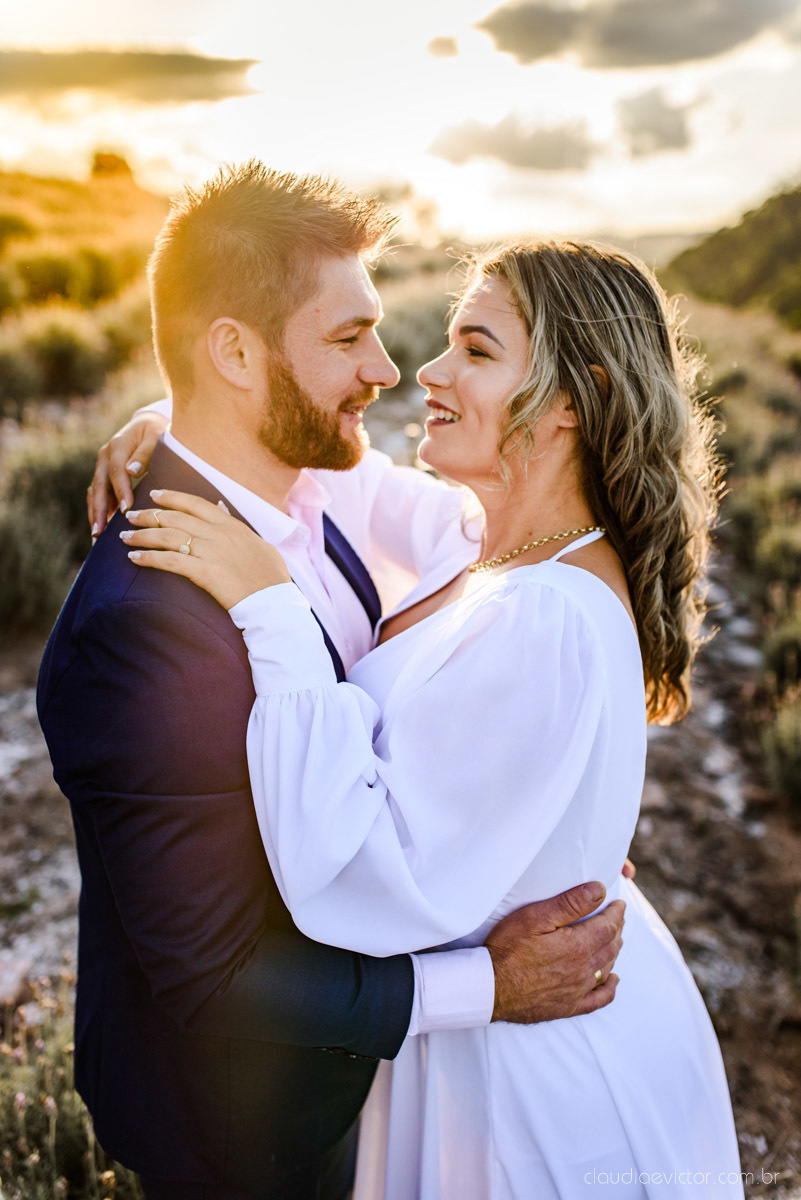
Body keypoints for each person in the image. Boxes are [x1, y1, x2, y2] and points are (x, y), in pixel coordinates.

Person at [38, 165, 626, 1200]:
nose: (391, 371)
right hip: (246, 1123)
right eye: (350, 338)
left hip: (358, 1083)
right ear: (233, 351)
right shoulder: (142, 631)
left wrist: (165, 418)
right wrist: (489, 985)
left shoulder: (320, 489)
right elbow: (216, 976)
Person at [120, 238, 744, 1198]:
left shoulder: (545, 615)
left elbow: (360, 876)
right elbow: (341, 473)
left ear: (573, 399)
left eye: (477, 351)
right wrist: (167, 419)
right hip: (484, 1041)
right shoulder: (495, 543)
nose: (428, 372)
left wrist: (272, 611)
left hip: (524, 1087)